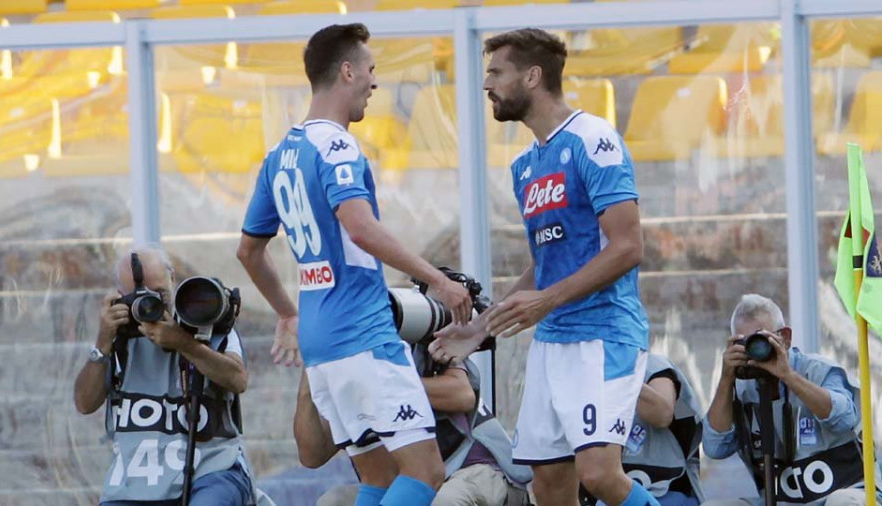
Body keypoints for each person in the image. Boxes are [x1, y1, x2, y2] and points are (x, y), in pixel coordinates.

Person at [236, 22, 472, 506]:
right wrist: (438, 282)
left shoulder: (280, 155)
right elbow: (360, 227)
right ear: (347, 72)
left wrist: (287, 313)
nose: (375, 82)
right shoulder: (336, 144)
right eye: (370, 69)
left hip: (321, 345)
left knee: (380, 477)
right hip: (363, 333)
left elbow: (249, 251)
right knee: (426, 472)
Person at [431, 27, 657, 506]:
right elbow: (545, 264)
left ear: (532, 77)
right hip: (552, 344)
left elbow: (627, 246)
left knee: (599, 474)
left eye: (496, 72)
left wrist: (548, 300)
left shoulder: (594, 139)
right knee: (550, 486)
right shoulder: (524, 166)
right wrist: (480, 330)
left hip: (603, 335)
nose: (486, 84)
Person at [73, 247, 253, 505]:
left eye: (159, 294)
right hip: (134, 483)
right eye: (140, 296)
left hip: (212, 470)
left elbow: (238, 380)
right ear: (121, 295)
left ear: (173, 277)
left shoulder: (205, 317)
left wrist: (184, 343)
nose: (152, 305)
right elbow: (84, 403)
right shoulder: (117, 338)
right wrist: (102, 342)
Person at [295, 342, 533, 506]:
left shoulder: (416, 337)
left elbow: (462, 394)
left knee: (446, 501)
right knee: (334, 501)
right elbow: (312, 457)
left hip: (475, 470)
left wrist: (385, 386)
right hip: (408, 484)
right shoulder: (340, 359)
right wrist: (309, 383)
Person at [702, 294, 881, 506]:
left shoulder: (818, 371)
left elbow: (845, 419)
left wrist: (788, 376)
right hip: (781, 501)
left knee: (841, 502)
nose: (756, 349)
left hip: (849, 492)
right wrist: (726, 378)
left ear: (785, 337)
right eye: (745, 342)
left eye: (761, 339)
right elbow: (715, 448)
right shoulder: (739, 388)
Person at [581, 354, 704, 506]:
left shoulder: (655, 368)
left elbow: (661, 415)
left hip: (665, 490)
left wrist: (619, 377)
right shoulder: (575, 371)